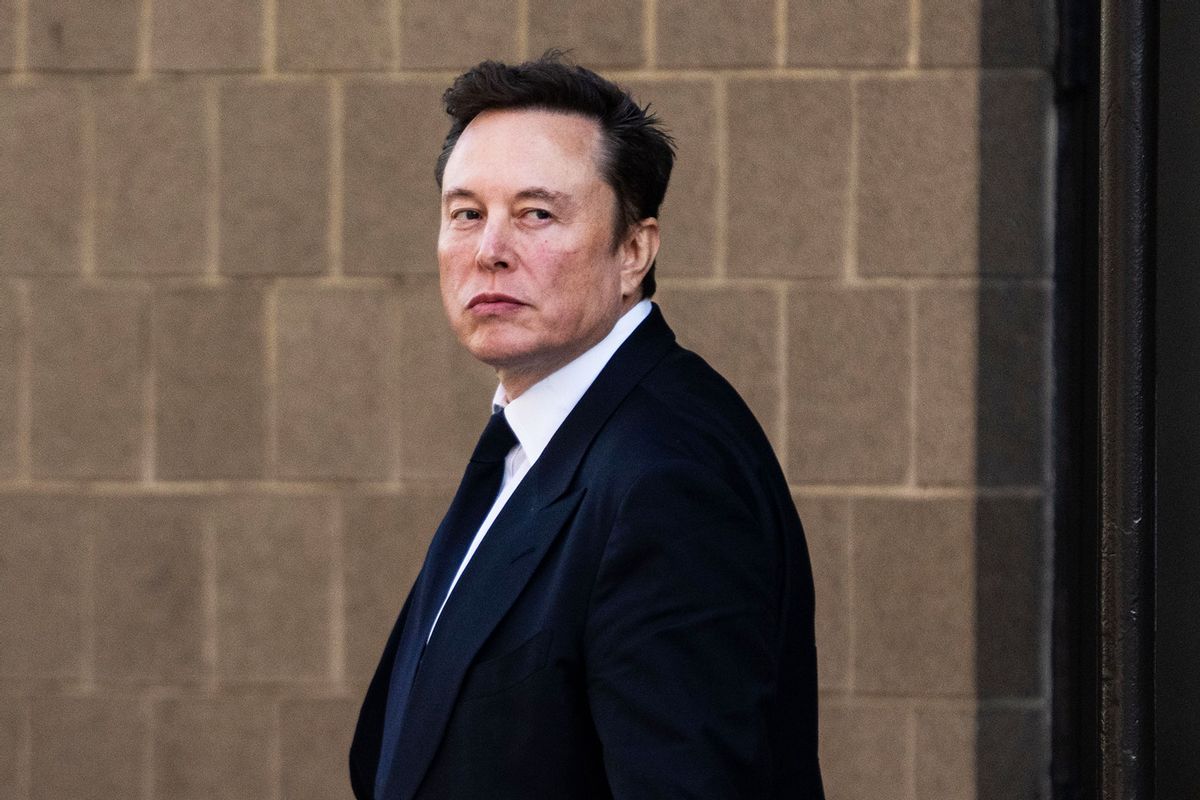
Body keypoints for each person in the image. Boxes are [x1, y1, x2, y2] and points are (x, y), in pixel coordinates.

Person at [350, 53, 824, 799]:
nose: (490, 251)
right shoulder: (535, 438)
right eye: (466, 213)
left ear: (634, 250)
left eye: (537, 214)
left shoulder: (669, 476)